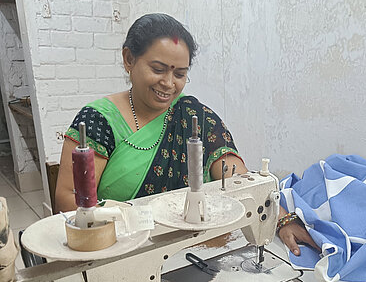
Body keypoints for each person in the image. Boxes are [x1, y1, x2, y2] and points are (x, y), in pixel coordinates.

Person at [55, 13, 247, 212]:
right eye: (157, 69)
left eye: (180, 74)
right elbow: (68, 200)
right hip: (120, 237)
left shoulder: (193, 116)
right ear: (129, 59)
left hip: (191, 237)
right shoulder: (98, 121)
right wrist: (123, 218)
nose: (169, 83)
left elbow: (238, 180)